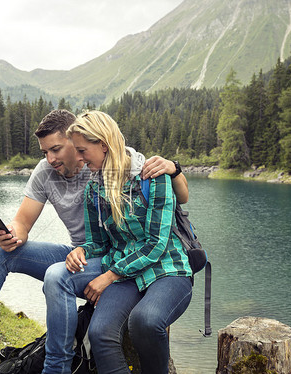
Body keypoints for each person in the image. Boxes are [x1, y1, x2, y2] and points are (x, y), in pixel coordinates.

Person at [0, 109, 188, 373]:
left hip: (114, 260)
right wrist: (13, 234)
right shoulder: (52, 174)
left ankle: (58, 364)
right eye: (44, 152)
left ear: (76, 139)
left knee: (66, 281)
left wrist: (175, 169)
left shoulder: (112, 166)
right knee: (2, 252)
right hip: (87, 254)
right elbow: (24, 220)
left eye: (57, 149)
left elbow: (178, 198)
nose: (51, 158)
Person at [42, 110, 192, 374]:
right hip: (127, 275)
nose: (76, 157)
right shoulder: (93, 189)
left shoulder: (152, 177)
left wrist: (109, 276)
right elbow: (99, 244)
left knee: (145, 321)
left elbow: (156, 244)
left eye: (82, 150)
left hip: (168, 269)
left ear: (103, 144)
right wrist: (80, 250)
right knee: (100, 333)